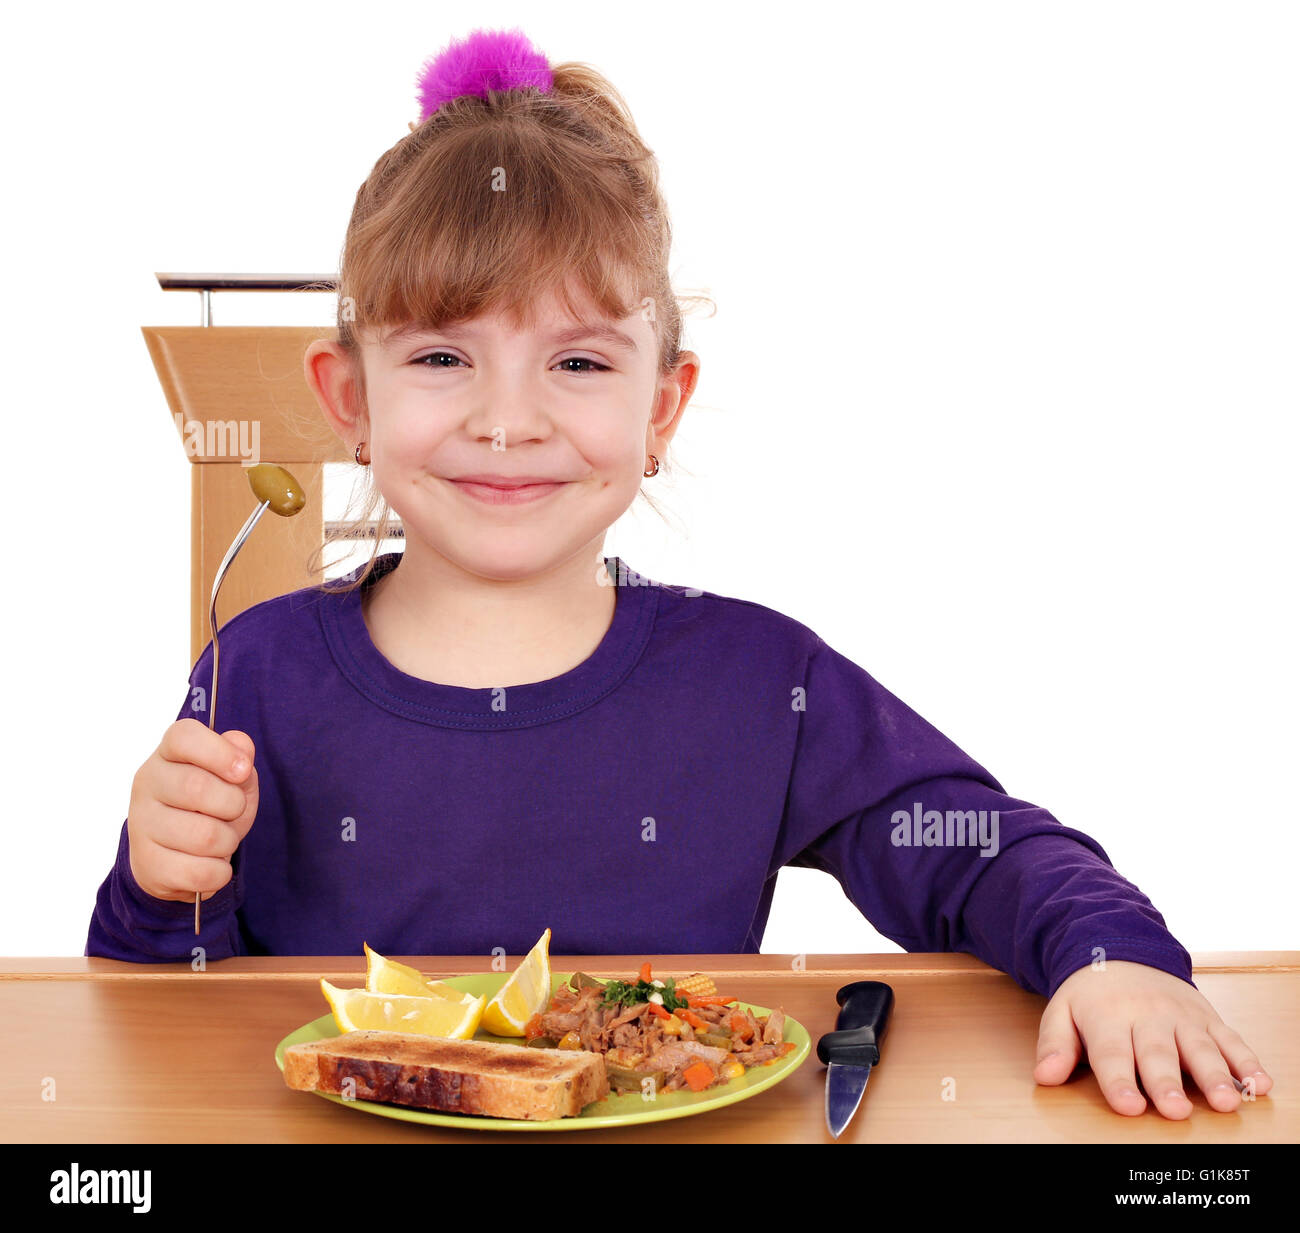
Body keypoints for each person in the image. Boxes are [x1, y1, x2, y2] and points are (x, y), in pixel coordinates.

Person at [87, 27, 1271, 1121]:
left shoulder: (758, 681)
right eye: (443, 355)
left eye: (580, 361)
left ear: (663, 407)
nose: (509, 422)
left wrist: (1112, 958)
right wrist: (154, 878)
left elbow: (977, 845)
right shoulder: (260, 671)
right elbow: (150, 1018)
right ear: (351, 400)